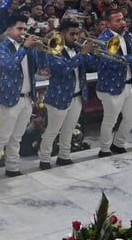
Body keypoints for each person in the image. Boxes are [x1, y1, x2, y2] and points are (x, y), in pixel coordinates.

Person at [0, 14, 39, 180]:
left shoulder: (27, 47)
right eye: (19, 29)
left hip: (27, 97)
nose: (23, 32)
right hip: (10, 98)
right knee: (3, 136)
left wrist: (36, 49)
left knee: (17, 136)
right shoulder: (1, 47)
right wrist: (25, 48)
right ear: (9, 30)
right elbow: (9, 66)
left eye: (25, 29)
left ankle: (12, 167)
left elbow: (36, 68)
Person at [36, 20, 95, 169]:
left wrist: (92, 54)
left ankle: (64, 156)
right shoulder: (53, 49)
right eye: (72, 34)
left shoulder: (78, 49)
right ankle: (44, 159)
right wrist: (82, 54)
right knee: (52, 131)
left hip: (77, 96)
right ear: (62, 34)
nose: (75, 37)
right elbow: (63, 69)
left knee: (69, 129)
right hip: (58, 97)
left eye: (77, 34)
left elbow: (93, 65)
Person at [94, 10, 132, 156]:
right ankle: (104, 149)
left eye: (123, 19)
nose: (123, 23)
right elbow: (112, 61)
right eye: (118, 20)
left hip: (129, 84)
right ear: (108, 24)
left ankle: (118, 143)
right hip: (111, 87)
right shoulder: (105, 38)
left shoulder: (127, 36)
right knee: (110, 120)